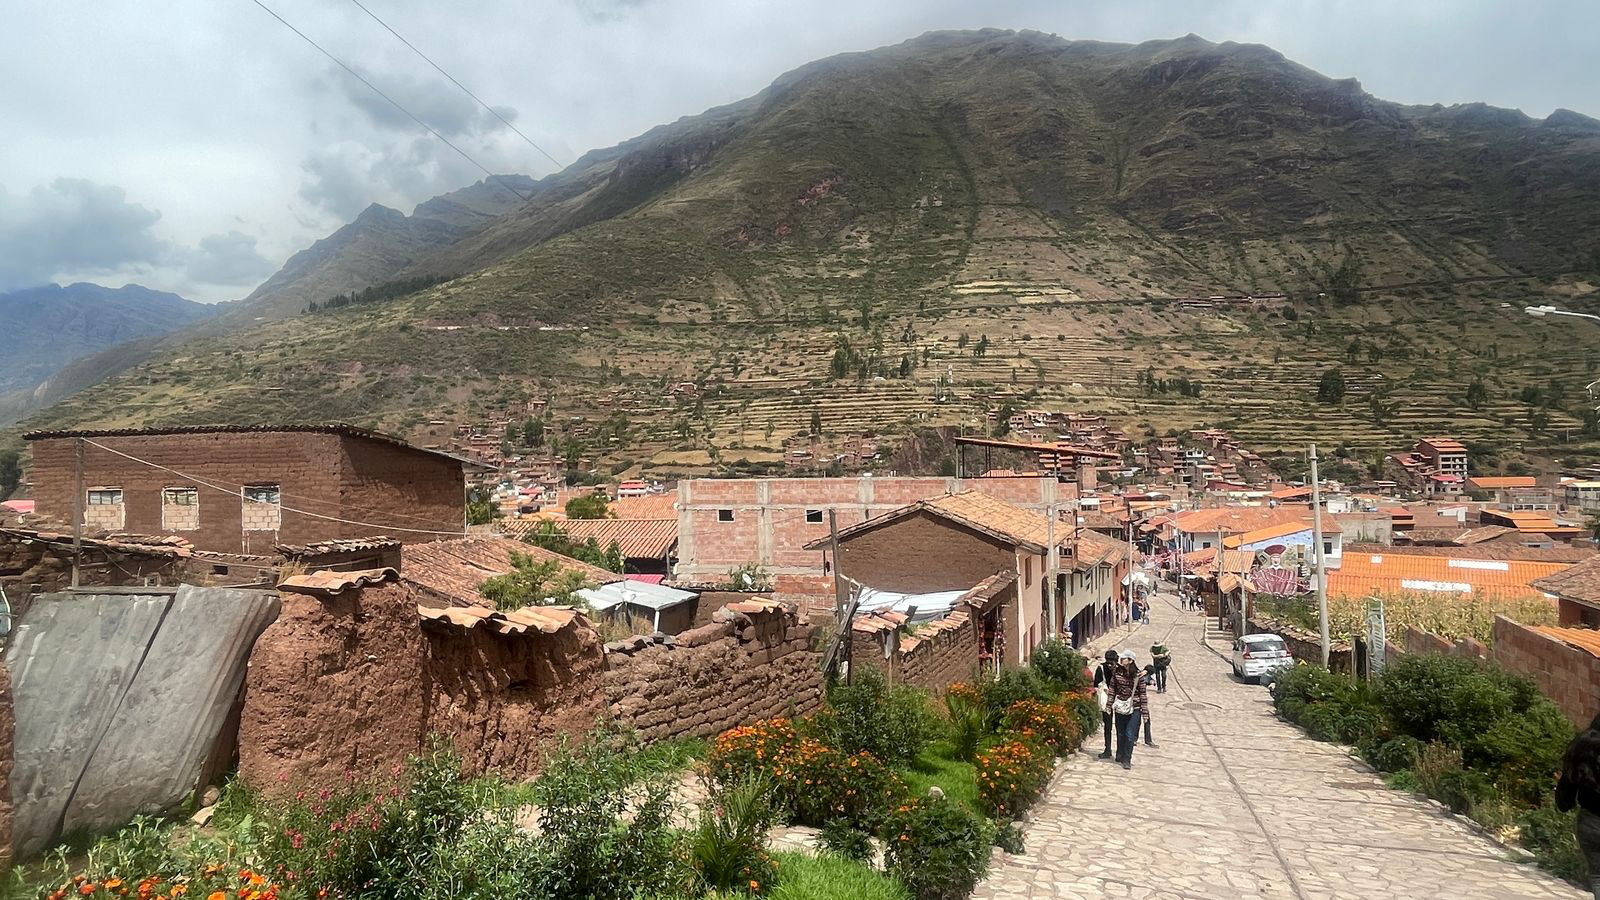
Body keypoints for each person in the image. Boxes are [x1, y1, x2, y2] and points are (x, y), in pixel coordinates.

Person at [1556, 713, 1600, 898]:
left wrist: (1564, 803)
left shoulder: (1582, 750)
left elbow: (1565, 793)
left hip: (1589, 823)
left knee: (1598, 878)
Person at [1106, 650, 1149, 769]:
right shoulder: (1117, 674)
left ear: (1130, 660)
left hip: (1134, 708)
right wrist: (1109, 706)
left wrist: (1145, 714)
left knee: (1129, 734)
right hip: (1120, 707)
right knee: (1120, 733)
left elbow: (1143, 695)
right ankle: (1120, 753)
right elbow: (1112, 690)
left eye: (1124, 658)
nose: (1121, 660)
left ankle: (1127, 758)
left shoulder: (1138, 676)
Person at [1093, 649, 1119, 759]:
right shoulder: (1101, 668)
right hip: (1106, 700)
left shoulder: (1120, 670)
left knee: (1120, 727)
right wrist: (1103, 688)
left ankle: (1121, 752)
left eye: (1112, 663)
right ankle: (1107, 749)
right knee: (1107, 727)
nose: (1109, 665)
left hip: (1118, 700)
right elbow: (1096, 683)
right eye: (1108, 662)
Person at [1140, 664, 1159, 747]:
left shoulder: (1141, 674)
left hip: (1139, 702)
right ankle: (1148, 740)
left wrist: (1152, 681)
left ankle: (1134, 739)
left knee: (1137, 722)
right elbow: (1149, 681)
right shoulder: (1143, 676)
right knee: (1146, 720)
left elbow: (1151, 681)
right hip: (1141, 702)